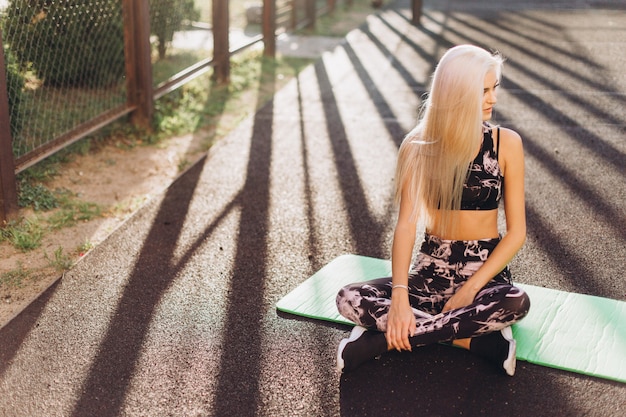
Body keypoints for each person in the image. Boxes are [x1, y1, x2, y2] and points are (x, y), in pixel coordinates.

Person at [335, 44, 531, 376]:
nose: (492, 98)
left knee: (516, 301)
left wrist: (470, 289)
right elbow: (406, 225)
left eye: (494, 87)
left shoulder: (505, 143)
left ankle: (380, 342)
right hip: (430, 273)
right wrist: (399, 298)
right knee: (348, 297)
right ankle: (472, 340)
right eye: (483, 90)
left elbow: (517, 233)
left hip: (485, 276)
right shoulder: (417, 146)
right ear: (457, 93)